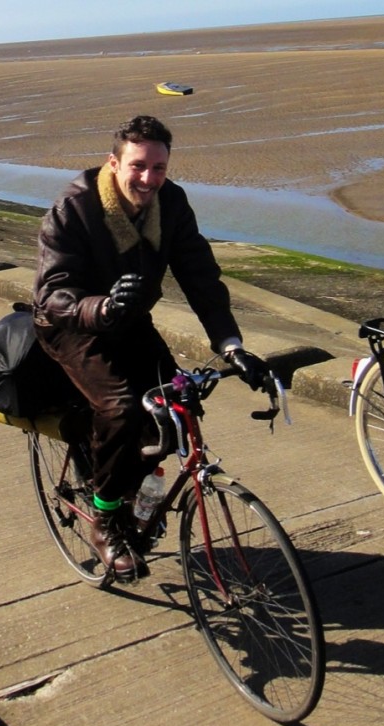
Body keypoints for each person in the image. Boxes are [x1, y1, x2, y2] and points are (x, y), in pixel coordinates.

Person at [32, 115, 269, 578]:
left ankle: (138, 492)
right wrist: (100, 308)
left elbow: (200, 277)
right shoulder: (75, 207)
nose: (148, 178)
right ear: (114, 162)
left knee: (177, 407)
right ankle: (105, 518)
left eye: (158, 168)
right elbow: (51, 292)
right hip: (72, 326)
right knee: (122, 408)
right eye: (138, 166)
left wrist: (232, 346)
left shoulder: (171, 203)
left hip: (131, 321)